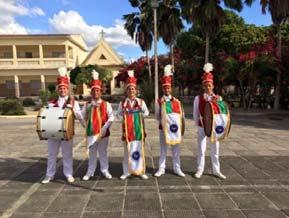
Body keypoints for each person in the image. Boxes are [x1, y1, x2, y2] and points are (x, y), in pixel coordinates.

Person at [42, 67, 84, 184]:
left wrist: (86, 126)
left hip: (67, 132)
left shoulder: (73, 102)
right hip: (53, 132)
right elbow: (45, 116)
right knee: (51, 155)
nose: (62, 90)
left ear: (68, 89)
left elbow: (79, 115)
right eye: (60, 88)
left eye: (64, 88)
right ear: (58, 90)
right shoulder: (51, 103)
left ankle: (68, 174)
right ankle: (49, 175)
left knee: (67, 154)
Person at [193, 63, 226, 180]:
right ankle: (200, 169)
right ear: (203, 87)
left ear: (213, 86)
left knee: (215, 149)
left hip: (214, 128)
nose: (208, 87)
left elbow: (222, 113)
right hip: (202, 127)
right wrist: (199, 126)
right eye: (206, 85)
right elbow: (195, 114)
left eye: (210, 85)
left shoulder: (218, 98)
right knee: (201, 149)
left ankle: (216, 170)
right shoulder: (198, 98)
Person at [116, 70, 149, 180]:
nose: (131, 91)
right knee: (127, 152)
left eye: (133, 89)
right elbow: (118, 115)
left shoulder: (141, 102)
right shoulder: (122, 103)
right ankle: (126, 171)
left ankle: (141, 171)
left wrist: (138, 117)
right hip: (127, 131)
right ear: (127, 91)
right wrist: (125, 119)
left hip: (139, 130)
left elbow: (147, 113)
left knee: (139, 151)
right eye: (129, 89)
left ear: (136, 90)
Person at [82, 70, 114, 181]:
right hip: (91, 133)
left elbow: (111, 117)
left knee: (103, 152)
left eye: (98, 90)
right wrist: (86, 127)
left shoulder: (106, 104)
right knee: (92, 153)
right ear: (91, 92)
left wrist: (105, 127)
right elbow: (81, 117)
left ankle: (105, 170)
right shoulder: (87, 105)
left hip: (103, 133)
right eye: (94, 90)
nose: (96, 92)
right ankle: (90, 171)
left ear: (101, 92)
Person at [154, 65, 186, 177]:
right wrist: (165, 123)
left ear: (170, 89)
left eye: (168, 88)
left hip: (175, 130)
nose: (167, 89)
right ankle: (161, 169)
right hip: (163, 129)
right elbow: (157, 116)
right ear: (163, 89)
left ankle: (177, 168)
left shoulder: (177, 102)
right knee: (163, 150)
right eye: (165, 88)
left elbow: (182, 116)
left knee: (176, 150)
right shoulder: (159, 102)